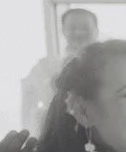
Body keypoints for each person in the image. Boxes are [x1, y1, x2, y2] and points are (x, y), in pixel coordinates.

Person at [18, 8, 101, 138]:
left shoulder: (110, 65)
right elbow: (28, 103)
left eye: (85, 27)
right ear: (63, 30)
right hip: (58, 135)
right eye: (73, 28)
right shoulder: (45, 67)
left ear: (96, 30)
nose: (79, 32)